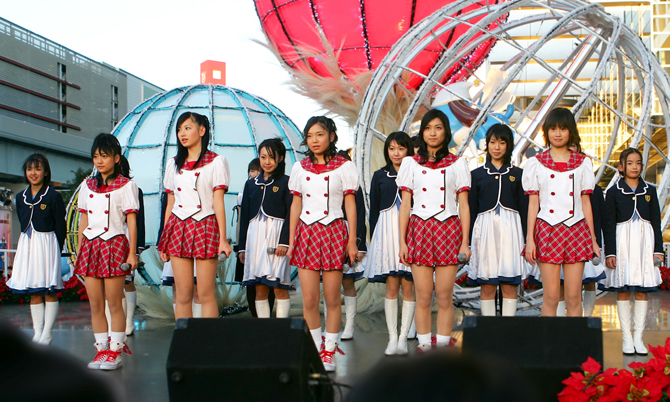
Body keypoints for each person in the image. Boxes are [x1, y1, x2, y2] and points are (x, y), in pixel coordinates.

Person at [287, 116, 359, 371]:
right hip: (306, 233)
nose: (314, 140)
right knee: (309, 298)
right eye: (309, 136)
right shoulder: (300, 168)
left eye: (319, 134)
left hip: (334, 232)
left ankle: (330, 349)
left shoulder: (344, 166)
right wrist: (291, 239)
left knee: (332, 298)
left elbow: (350, 205)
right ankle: (316, 349)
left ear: (331, 136)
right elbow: (296, 205)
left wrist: (352, 241)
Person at [397, 109, 471, 351]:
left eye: (438, 128)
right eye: (428, 128)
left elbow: (464, 205)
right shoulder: (410, 163)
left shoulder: (458, 164)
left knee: (445, 294)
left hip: (449, 230)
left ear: (446, 132)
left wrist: (465, 242)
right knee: (423, 294)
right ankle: (425, 347)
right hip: (419, 230)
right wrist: (402, 242)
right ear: (422, 132)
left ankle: (443, 348)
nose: (432, 133)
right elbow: (405, 206)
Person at [522, 107, 599, 317]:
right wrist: (530, 239)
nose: (558, 133)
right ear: (546, 131)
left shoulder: (583, 163)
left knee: (574, 296)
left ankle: (574, 339)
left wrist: (592, 239)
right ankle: (548, 339)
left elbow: (586, 204)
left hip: (576, 229)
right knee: (551, 296)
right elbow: (533, 204)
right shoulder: (536, 164)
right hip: (547, 229)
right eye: (553, 129)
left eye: (563, 129)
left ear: (570, 131)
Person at [157, 112, 232, 319]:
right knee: (182, 294)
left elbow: (218, 202)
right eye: (179, 130)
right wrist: (164, 240)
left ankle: (208, 338)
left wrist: (223, 239)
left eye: (187, 128)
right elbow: (170, 204)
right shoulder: (173, 164)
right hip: (178, 227)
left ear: (201, 130)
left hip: (206, 226)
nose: (182, 133)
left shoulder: (216, 162)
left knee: (206, 293)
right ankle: (184, 338)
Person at [75, 134, 139, 370]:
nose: (99, 161)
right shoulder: (86, 185)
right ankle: (101, 350)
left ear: (116, 158)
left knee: (114, 302)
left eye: (104, 156)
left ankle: (115, 351)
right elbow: (83, 220)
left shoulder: (127, 185)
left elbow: (131, 222)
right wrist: (80, 251)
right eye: (95, 156)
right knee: (95, 303)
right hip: (90, 246)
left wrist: (132, 253)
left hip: (114, 244)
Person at [602, 148, 663, 355]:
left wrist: (658, 250)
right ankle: (626, 338)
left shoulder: (650, 191)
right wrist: (610, 253)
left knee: (642, 289)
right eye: (630, 163)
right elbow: (608, 224)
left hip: (645, 244)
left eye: (638, 163)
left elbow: (656, 222)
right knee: (624, 289)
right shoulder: (613, 192)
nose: (634, 167)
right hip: (622, 244)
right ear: (621, 167)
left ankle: (639, 337)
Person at [364, 132, 416, 355]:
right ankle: (392, 338)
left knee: (409, 286)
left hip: (410, 231)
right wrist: (376, 239)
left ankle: (404, 338)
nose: (396, 153)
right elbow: (374, 210)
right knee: (392, 287)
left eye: (401, 148)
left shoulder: (416, 173)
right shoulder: (379, 175)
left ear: (408, 150)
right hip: (385, 234)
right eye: (392, 148)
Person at [468, 124, 527, 317]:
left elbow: (525, 209)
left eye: (502, 143)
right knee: (487, 284)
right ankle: (490, 329)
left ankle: (507, 330)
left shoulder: (518, 175)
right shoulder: (476, 175)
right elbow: (471, 210)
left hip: (511, 232)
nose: (497, 147)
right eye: (493, 142)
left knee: (509, 284)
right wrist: (467, 242)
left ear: (509, 145)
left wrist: (528, 240)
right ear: (487, 144)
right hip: (485, 232)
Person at [7, 153, 66, 345]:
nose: (33, 173)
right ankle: (37, 332)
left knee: (49, 290)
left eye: (38, 169)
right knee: (34, 291)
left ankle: (47, 333)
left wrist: (57, 249)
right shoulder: (20, 197)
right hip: (28, 245)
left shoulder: (53, 196)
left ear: (46, 172)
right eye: (29, 169)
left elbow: (60, 226)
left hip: (48, 245)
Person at [239, 139, 292, 318]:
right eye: (263, 157)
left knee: (279, 287)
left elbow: (291, 215)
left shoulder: (286, 182)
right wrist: (242, 248)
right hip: (255, 238)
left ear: (281, 158)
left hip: (277, 238)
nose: (267, 162)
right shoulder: (250, 184)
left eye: (271, 157)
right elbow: (244, 218)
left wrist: (285, 242)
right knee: (260, 288)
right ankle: (264, 328)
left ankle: (281, 329)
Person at [234, 159, 275, 317]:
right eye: (252, 170)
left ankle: (267, 316)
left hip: (269, 241)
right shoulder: (246, 190)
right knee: (251, 281)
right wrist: (241, 246)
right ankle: (255, 314)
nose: (254, 173)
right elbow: (243, 220)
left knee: (270, 280)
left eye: (257, 170)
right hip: (250, 242)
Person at [337, 149, 367, 341]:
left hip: (349, 233)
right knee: (330, 284)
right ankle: (330, 326)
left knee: (347, 281)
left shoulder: (355, 187)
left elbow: (361, 214)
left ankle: (349, 324)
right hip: (328, 233)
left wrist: (359, 245)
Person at [118, 155, 146, 336]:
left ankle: (129, 321)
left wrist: (137, 248)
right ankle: (117, 321)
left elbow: (139, 220)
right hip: (109, 237)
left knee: (127, 281)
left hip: (128, 237)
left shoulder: (134, 189)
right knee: (113, 283)